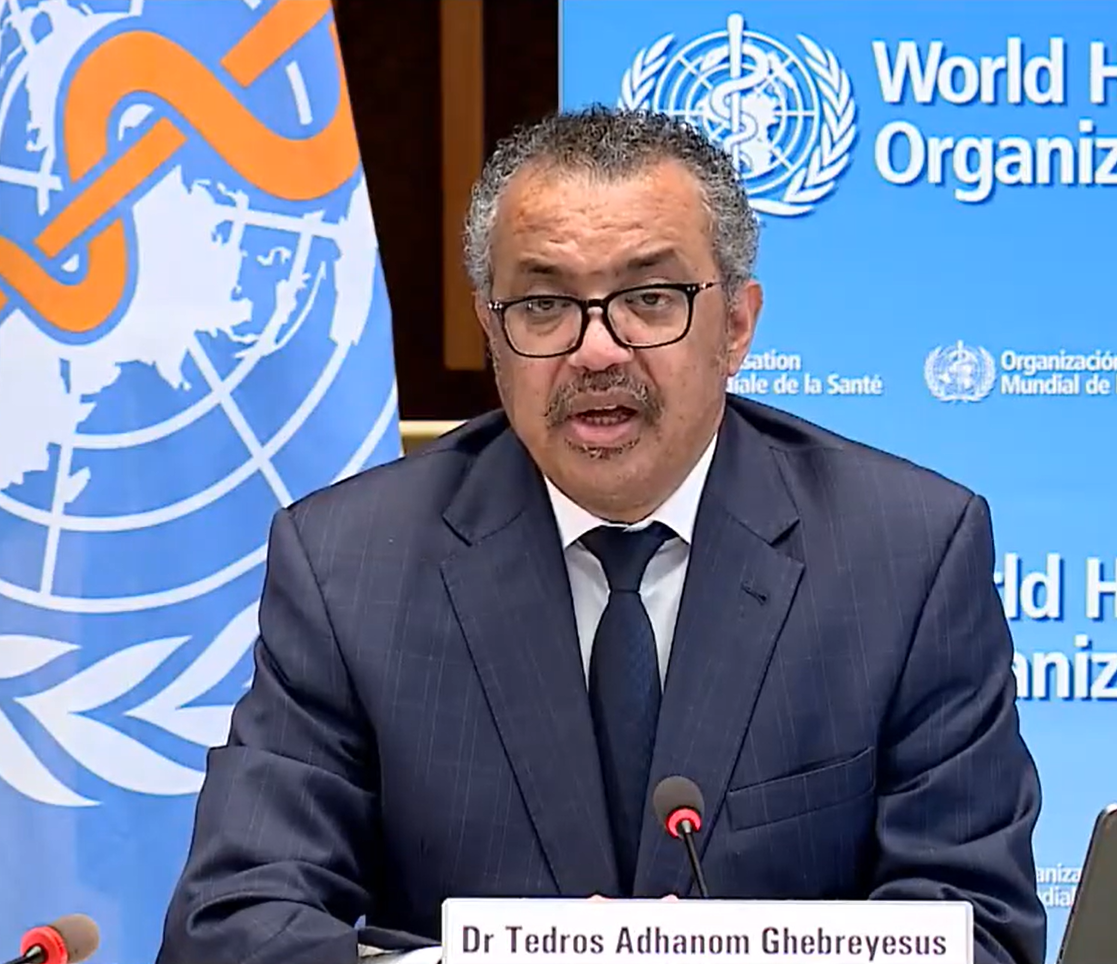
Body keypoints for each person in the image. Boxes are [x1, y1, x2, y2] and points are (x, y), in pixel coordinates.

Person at [156, 106, 1046, 964]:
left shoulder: (905, 555)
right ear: (492, 332)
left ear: (737, 326)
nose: (596, 351)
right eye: (544, 305)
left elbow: (977, 929)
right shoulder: (350, 566)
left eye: (650, 298)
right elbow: (230, 929)